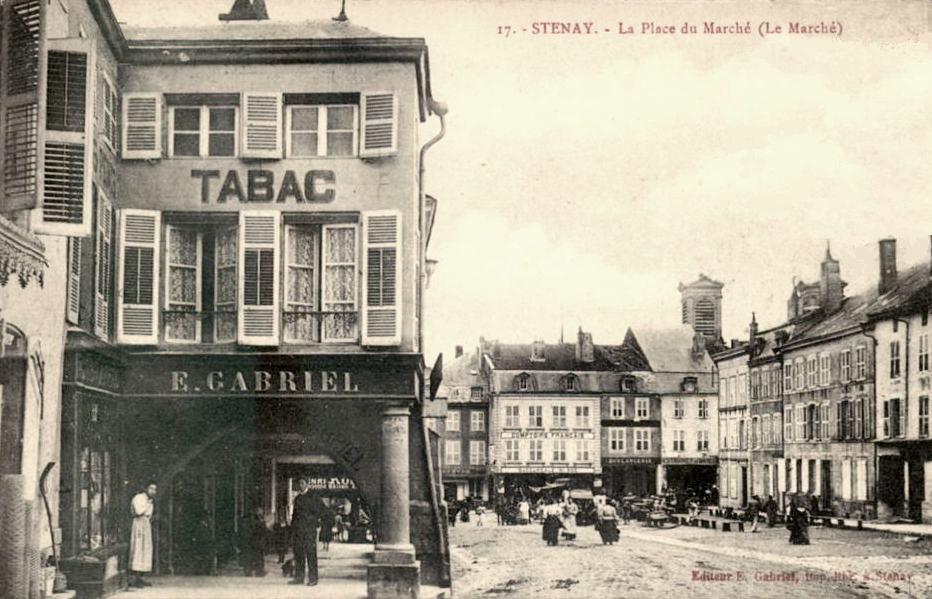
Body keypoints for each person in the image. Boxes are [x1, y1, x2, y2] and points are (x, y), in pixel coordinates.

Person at [290, 478, 327, 586]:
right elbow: (294, 516)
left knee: (311, 554)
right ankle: (299, 578)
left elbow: (323, 511)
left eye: (302, 483)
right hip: (298, 531)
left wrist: (315, 522)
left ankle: (313, 579)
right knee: (299, 554)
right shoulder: (297, 498)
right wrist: (293, 529)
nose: (300, 485)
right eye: (299, 483)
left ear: (307, 484)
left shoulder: (314, 497)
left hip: (309, 530)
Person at [129, 482, 157, 588]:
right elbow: (139, 511)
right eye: (151, 488)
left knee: (145, 549)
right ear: (146, 488)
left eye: (155, 489)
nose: (153, 491)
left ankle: (140, 577)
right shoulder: (139, 498)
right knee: (138, 548)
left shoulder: (150, 501)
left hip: (146, 524)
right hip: (139, 524)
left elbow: (149, 514)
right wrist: (147, 504)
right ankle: (134, 578)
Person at [240, 505, 267, 576]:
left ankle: (250, 571)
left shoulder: (246, 520)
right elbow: (263, 531)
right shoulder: (259, 521)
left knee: (250, 557)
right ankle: (259, 571)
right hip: (255, 542)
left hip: (250, 542)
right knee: (258, 557)